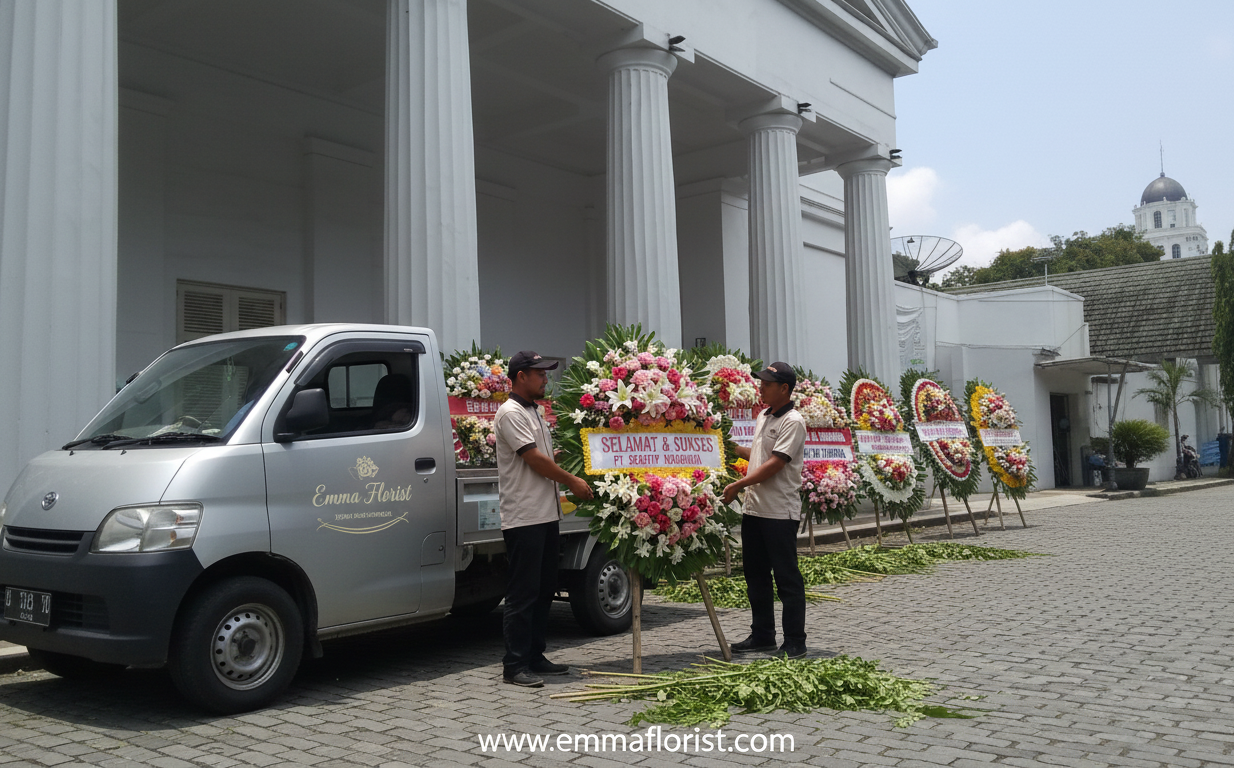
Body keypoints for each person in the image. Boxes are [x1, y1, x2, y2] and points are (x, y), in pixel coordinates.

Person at [494, 350, 594, 687]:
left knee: (543, 589)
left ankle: (535, 656)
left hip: (546, 514)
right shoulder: (510, 413)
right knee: (523, 593)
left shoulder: (534, 412)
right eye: (540, 374)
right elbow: (534, 459)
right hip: (524, 516)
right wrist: (572, 480)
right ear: (521, 376)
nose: (545, 379)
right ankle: (515, 664)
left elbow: (547, 455)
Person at [721, 362, 808, 659]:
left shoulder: (793, 421)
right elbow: (759, 456)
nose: (761, 388)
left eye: (767, 384)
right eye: (761, 383)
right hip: (755, 511)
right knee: (756, 576)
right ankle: (762, 635)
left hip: (779, 513)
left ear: (784, 388)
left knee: (786, 579)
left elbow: (775, 464)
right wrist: (731, 448)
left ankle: (795, 641)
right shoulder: (764, 415)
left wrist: (738, 484)